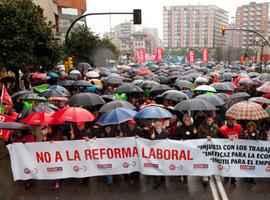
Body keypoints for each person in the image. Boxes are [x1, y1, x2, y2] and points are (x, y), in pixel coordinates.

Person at [219, 117, 242, 184]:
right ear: (227, 121)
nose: (231, 121)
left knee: (234, 163)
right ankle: (227, 175)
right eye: (229, 120)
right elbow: (220, 139)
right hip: (227, 149)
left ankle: (233, 178)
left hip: (236, 148)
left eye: (232, 120)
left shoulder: (238, 127)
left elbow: (241, 136)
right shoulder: (223, 129)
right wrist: (227, 139)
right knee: (227, 163)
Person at [174, 114, 197, 184]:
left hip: (189, 150)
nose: (187, 122)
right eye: (186, 120)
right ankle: (179, 174)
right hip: (181, 149)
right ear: (183, 121)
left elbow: (196, 139)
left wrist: (195, 133)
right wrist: (180, 140)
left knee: (186, 163)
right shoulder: (179, 128)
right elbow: (174, 137)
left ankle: (185, 177)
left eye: (189, 120)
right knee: (180, 162)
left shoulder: (193, 127)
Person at [198, 114, 219, 184]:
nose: (209, 121)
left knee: (211, 160)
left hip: (212, 147)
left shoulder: (216, 127)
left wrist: (213, 139)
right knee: (204, 160)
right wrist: (205, 137)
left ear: (213, 120)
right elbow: (198, 136)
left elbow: (218, 137)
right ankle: (205, 175)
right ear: (206, 120)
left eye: (210, 120)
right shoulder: (201, 127)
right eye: (208, 120)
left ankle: (210, 172)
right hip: (204, 147)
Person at [150, 121, 168, 189]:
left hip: (163, 153)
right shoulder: (152, 133)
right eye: (156, 125)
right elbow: (145, 141)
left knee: (162, 165)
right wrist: (151, 138)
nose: (158, 126)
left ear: (161, 126)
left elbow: (170, 141)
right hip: (155, 154)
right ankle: (157, 181)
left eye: (159, 125)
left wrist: (168, 140)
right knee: (156, 166)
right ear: (155, 126)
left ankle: (162, 177)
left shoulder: (166, 133)